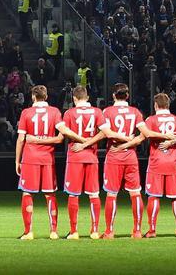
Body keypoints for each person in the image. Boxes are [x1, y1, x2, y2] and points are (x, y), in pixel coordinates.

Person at [131, 93, 176, 237]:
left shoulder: (151, 120)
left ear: (155, 105)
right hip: (172, 163)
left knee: (153, 196)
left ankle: (152, 230)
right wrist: (173, 141)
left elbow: (145, 135)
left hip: (156, 162)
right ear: (168, 105)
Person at [53, 85, 105, 239]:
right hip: (92, 157)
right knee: (94, 194)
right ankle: (95, 230)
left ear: (74, 99)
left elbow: (64, 132)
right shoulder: (97, 111)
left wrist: (82, 143)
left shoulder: (69, 113)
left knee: (73, 195)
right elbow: (104, 133)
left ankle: (74, 231)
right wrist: (88, 143)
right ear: (87, 97)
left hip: (75, 156)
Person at [16, 85, 63, 238]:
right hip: (48, 158)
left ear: (33, 97)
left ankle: (28, 231)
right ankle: (53, 231)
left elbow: (21, 139)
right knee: (50, 194)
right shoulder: (54, 111)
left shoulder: (26, 112)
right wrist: (47, 140)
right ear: (46, 96)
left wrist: (17, 160)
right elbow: (61, 137)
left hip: (30, 158)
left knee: (27, 193)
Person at [99, 83, 144, 239]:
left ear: (113, 96)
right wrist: (128, 142)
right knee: (135, 193)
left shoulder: (107, 111)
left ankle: (109, 231)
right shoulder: (135, 112)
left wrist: (121, 142)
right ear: (127, 96)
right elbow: (143, 135)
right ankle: (137, 230)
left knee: (111, 194)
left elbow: (107, 133)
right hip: (131, 155)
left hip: (114, 155)